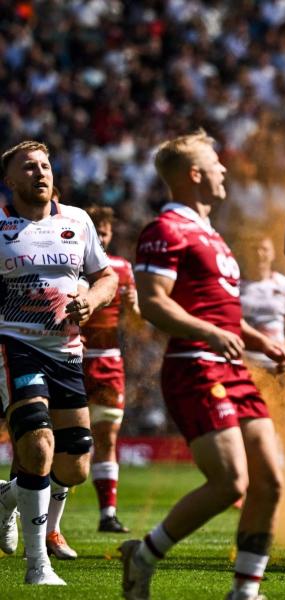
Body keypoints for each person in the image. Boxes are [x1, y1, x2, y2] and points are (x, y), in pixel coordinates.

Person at [120, 131, 285, 600]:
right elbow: (153, 304)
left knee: (270, 480)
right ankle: (144, 555)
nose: (224, 171)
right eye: (216, 164)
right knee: (230, 480)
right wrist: (212, 335)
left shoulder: (212, 235)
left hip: (231, 366)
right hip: (195, 365)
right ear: (195, 175)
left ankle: (245, 592)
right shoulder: (165, 230)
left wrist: (262, 341)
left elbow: (224, 314)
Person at [0, 140, 118, 585]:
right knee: (38, 446)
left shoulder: (78, 221)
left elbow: (106, 276)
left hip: (66, 352)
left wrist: (90, 298)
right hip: (14, 344)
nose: (40, 173)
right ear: (10, 180)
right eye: (28, 167)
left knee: (74, 468)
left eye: (45, 166)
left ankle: (7, 498)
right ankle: (38, 566)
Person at [81, 205, 140, 535]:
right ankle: (42, 516)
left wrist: (134, 307)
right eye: (96, 232)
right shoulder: (71, 264)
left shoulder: (121, 269)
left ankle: (108, 513)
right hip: (70, 358)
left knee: (107, 437)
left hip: (108, 360)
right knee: (65, 440)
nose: (101, 237)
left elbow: (137, 322)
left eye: (105, 232)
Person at [239, 237, 285, 499]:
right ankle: (246, 488)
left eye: (264, 248)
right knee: (249, 428)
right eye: (254, 247)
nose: (259, 254)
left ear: (272, 252)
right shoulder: (237, 286)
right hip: (248, 365)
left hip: (279, 366)